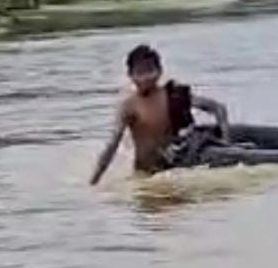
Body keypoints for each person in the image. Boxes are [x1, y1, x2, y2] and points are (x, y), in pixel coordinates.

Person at [90, 44, 229, 184]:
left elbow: (218, 108)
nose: (145, 78)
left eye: (149, 71)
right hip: (147, 175)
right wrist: (95, 180)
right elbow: (112, 145)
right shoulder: (129, 106)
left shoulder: (173, 96)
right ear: (130, 75)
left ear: (159, 71)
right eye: (139, 72)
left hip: (176, 169)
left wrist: (225, 141)